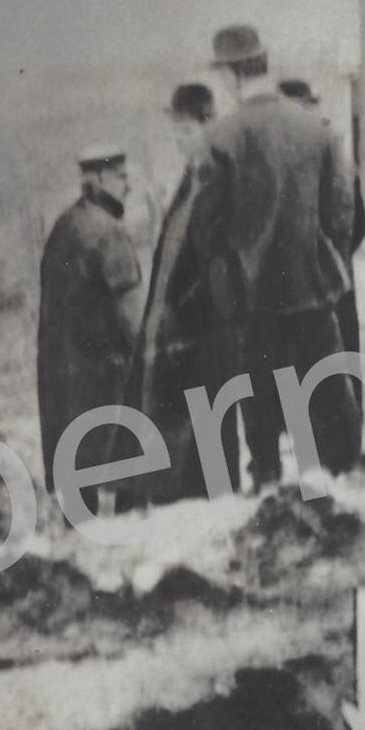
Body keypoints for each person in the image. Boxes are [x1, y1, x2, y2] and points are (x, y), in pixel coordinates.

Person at [206, 25, 362, 488]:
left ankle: (269, 486)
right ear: (263, 63)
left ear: (232, 76)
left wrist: (231, 282)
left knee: (259, 401)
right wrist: (322, 262)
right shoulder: (315, 130)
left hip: (252, 298)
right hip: (313, 289)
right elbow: (342, 213)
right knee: (333, 392)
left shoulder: (221, 138)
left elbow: (208, 232)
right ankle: (348, 478)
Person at [118, 83, 236, 506]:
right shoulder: (192, 178)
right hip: (179, 335)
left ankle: (211, 511)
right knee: (178, 432)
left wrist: (183, 309)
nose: (179, 141)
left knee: (207, 438)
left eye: (185, 132)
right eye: (175, 133)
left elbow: (219, 266)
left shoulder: (220, 179)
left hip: (204, 332)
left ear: (209, 125)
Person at [37, 146, 145, 495]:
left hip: (62, 386)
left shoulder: (62, 227)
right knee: (123, 503)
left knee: (78, 503)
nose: (127, 186)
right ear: (98, 179)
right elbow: (132, 320)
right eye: (121, 177)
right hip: (103, 387)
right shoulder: (110, 233)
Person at [281, 77, 365, 368]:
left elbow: (355, 224)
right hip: (330, 285)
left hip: (322, 292)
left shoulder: (330, 155)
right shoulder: (330, 150)